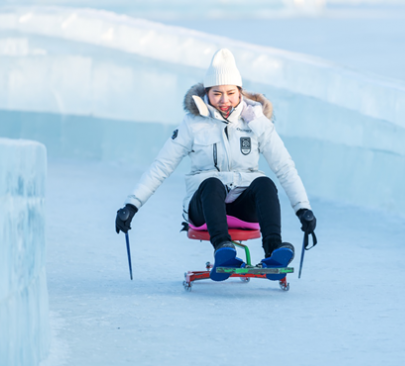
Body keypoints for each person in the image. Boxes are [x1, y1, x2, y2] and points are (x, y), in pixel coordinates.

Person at [115, 48, 317, 281]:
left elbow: (284, 167)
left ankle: (273, 252)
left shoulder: (257, 123)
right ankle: (224, 251)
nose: (224, 100)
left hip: (244, 206)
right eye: (217, 93)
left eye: (230, 92)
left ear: (240, 92)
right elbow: (161, 167)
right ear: (207, 93)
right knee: (211, 182)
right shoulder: (193, 124)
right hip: (203, 205)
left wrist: (303, 210)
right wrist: (132, 205)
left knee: (264, 183)